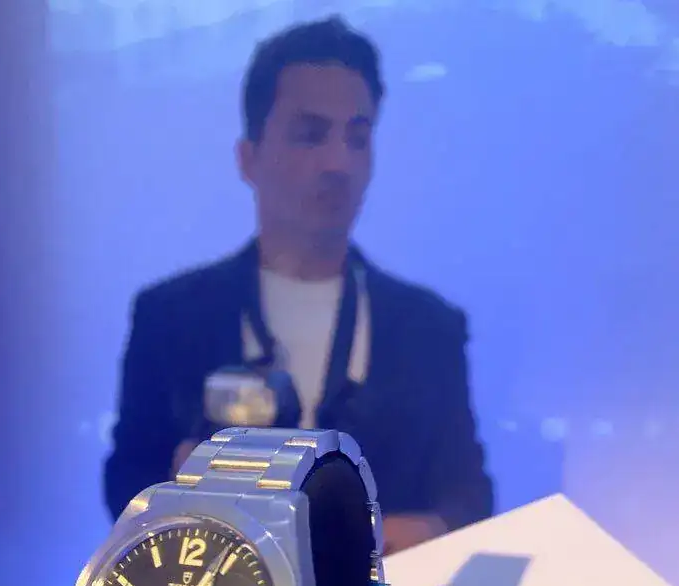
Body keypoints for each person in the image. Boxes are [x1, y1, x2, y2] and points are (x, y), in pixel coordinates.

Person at [103, 16, 494, 554]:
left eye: (357, 138)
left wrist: (373, 541)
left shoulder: (429, 329)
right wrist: (177, 485)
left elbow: (468, 498)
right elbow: (125, 482)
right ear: (248, 157)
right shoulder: (171, 318)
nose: (338, 162)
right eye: (311, 135)